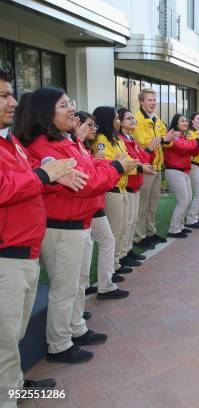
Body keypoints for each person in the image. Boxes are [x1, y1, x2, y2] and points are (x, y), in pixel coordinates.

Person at [22, 87, 137, 364]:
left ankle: (75, 327)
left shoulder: (64, 140)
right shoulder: (43, 145)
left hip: (78, 221)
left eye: (70, 103)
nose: (72, 109)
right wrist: (117, 169)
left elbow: (92, 169)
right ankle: (59, 343)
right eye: (64, 105)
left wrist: (110, 167)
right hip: (62, 225)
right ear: (46, 112)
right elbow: (86, 181)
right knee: (65, 287)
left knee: (78, 282)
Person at [0, 70, 84, 403]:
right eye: (4, 95)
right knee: (5, 336)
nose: (13, 101)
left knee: (13, 333)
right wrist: (44, 174)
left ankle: (12, 386)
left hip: (25, 250)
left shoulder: (11, 142)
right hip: (8, 253)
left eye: (11, 94)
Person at [77, 110, 130, 300]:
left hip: (94, 201)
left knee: (104, 241)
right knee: (102, 242)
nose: (94, 128)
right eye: (89, 125)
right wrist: (111, 165)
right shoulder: (84, 145)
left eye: (95, 125)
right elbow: (87, 176)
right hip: (84, 205)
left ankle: (101, 284)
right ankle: (100, 285)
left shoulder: (83, 146)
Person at [93, 106, 143, 275]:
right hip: (112, 188)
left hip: (121, 186)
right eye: (115, 118)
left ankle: (118, 260)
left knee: (123, 227)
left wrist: (137, 167)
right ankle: (112, 267)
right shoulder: (101, 139)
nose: (118, 121)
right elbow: (109, 162)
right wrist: (122, 165)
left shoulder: (116, 139)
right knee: (115, 230)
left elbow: (126, 161)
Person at [132, 88, 169, 249]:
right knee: (143, 204)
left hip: (157, 166)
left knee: (153, 203)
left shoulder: (156, 118)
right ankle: (139, 237)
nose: (153, 103)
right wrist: (163, 139)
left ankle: (150, 232)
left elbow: (166, 137)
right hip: (146, 166)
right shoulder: (137, 119)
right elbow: (145, 142)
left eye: (154, 100)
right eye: (149, 100)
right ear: (141, 102)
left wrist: (163, 139)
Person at [117, 108, 156, 259]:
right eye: (128, 118)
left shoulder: (131, 138)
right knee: (126, 223)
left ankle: (127, 250)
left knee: (132, 220)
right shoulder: (121, 139)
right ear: (120, 122)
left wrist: (149, 150)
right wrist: (142, 163)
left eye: (133, 118)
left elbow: (142, 158)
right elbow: (133, 161)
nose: (133, 120)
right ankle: (122, 254)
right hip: (127, 184)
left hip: (135, 183)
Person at [163, 113, 199, 238]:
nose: (186, 123)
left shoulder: (182, 136)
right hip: (174, 170)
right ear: (176, 123)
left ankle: (180, 226)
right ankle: (173, 229)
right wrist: (197, 141)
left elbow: (193, 151)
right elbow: (182, 148)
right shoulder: (173, 136)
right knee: (183, 201)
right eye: (182, 121)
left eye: (186, 121)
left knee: (186, 200)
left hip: (184, 171)